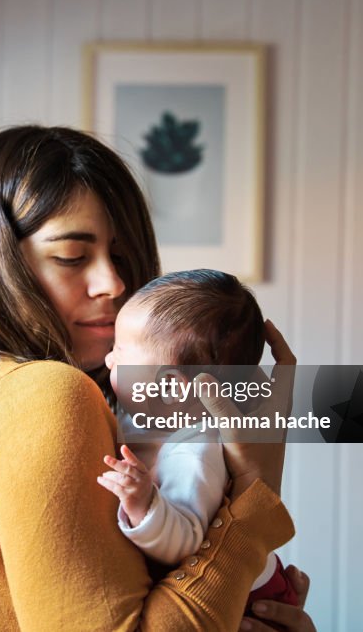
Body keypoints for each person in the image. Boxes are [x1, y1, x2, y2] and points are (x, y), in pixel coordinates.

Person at [0, 125, 315, 631]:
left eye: (122, 255)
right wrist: (254, 488)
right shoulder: (42, 394)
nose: (112, 282)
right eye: (72, 256)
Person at [99, 269, 299, 630]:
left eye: (120, 352)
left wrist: (144, 504)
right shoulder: (153, 425)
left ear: (173, 389)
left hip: (249, 603)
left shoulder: (194, 452)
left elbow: (185, 540)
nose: (109, 360)